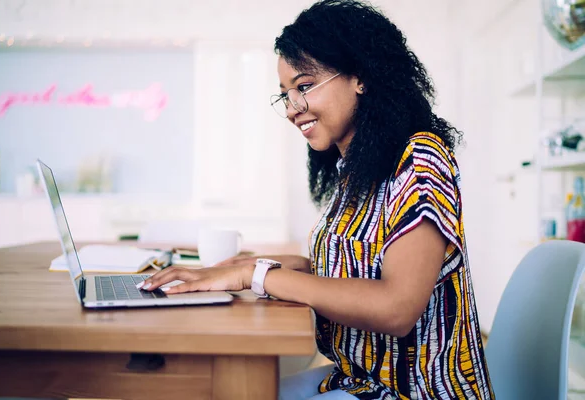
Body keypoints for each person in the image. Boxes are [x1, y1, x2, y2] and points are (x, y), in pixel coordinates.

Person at [137, 0, 495, 398]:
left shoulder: (419, 159)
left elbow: (396, 306)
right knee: (222, 390)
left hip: (415, 392)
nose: (293, 109)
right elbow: (355, 270)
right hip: (358, 380)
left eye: (304, 86)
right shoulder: (355, 170)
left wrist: (256, 277)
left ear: (360, 77)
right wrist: (255, 265)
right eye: (286, 94)